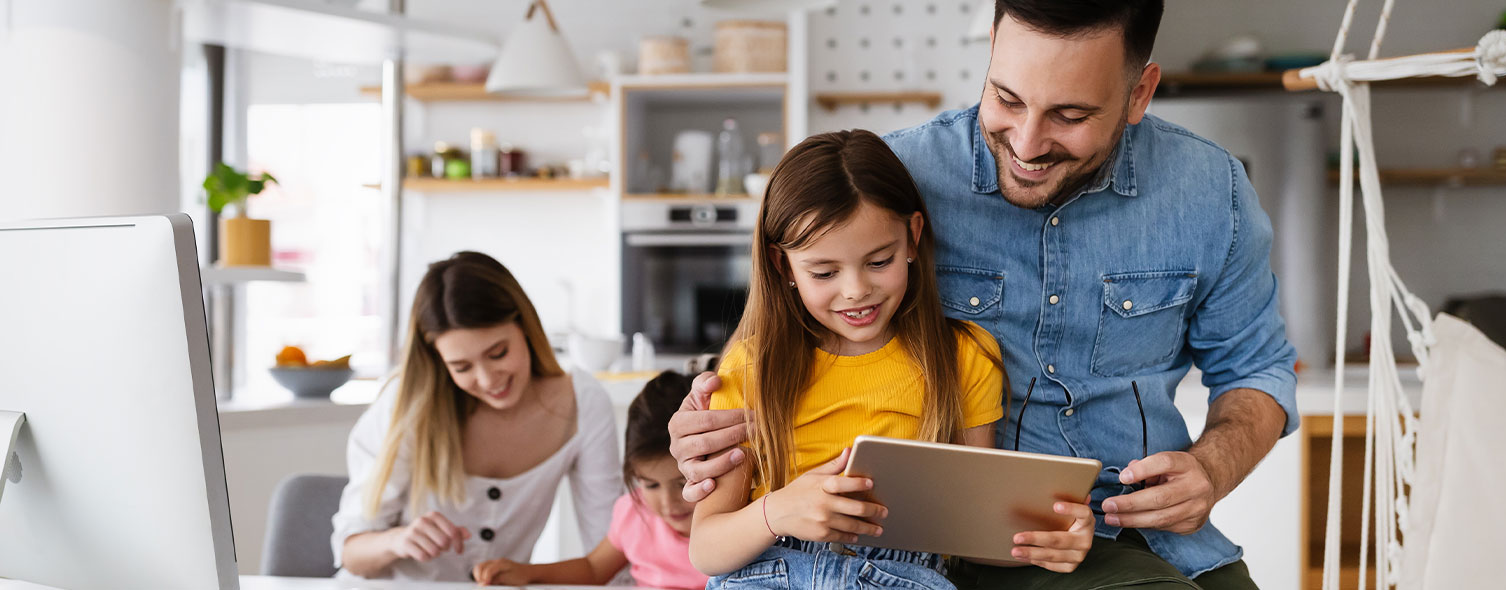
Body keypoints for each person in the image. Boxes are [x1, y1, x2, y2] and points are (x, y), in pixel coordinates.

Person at [669, 1, 1298, 588]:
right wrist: (699, 428)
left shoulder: (1211, 192)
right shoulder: (893, 182)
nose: (1026, 144)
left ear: (1140, 92)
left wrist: (1212, 471)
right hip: (954, 548)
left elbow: (1258, 369)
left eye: (1070, 115)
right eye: (1006, 97)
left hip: (1139, 535)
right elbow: (782, 337)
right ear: (991, 49)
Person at [687, 130, 1096, 589]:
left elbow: (973, 531)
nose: (856, 290)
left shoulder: (964, 356)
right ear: (784, 268)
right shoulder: (750, 366)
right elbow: (706, 548)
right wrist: (776, 511)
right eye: (824, 272)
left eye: (879, 261)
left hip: (900, 574)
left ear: (912, 240)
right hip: (770, 566)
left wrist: (1052, 539)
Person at [331, 251, 622, 581]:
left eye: (498, 353)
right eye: (462, 367)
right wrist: (397, 540)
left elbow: (612, 548)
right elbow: (351, 554)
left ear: (525, 327)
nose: (487, 380)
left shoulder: (583, 403)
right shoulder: (408, 405)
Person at [470, 371, 709, 590]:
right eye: (650, 484)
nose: (667, 503)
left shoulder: (727, 521)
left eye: (683, 483)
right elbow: (594, 569)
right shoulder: (635, 514)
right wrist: (528, 572)